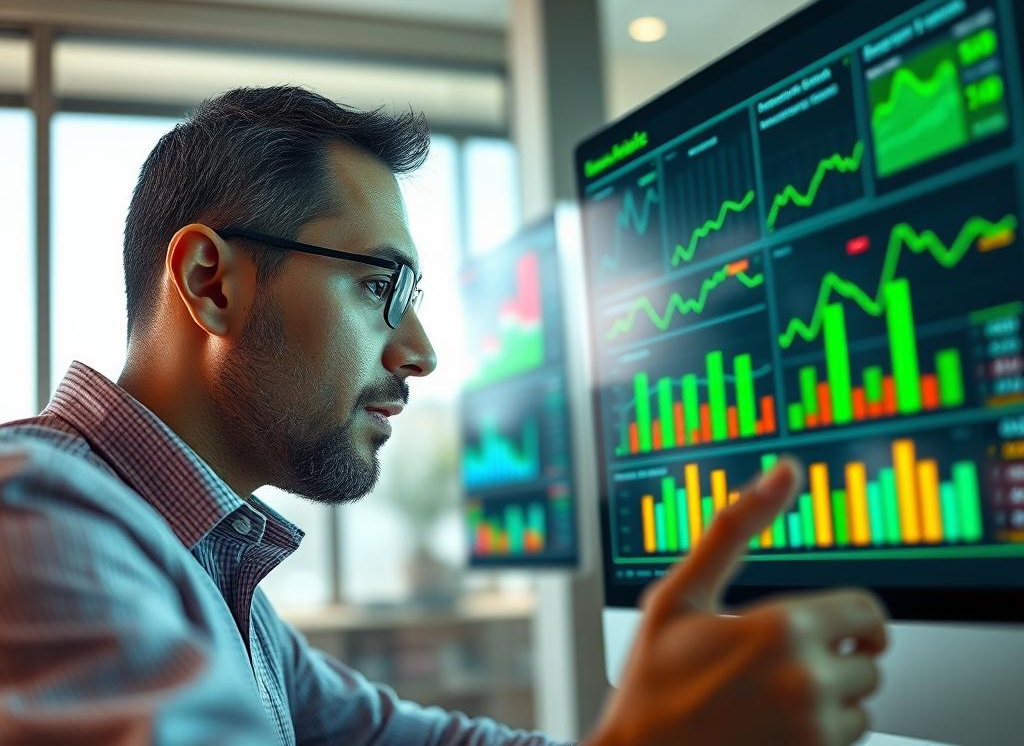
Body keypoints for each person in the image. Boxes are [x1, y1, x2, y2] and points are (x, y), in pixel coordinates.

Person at [0, 86, 887, 746]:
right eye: (380, 287)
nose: (420, 352)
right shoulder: (40, 517)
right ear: (211, 283)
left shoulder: (210, 574)